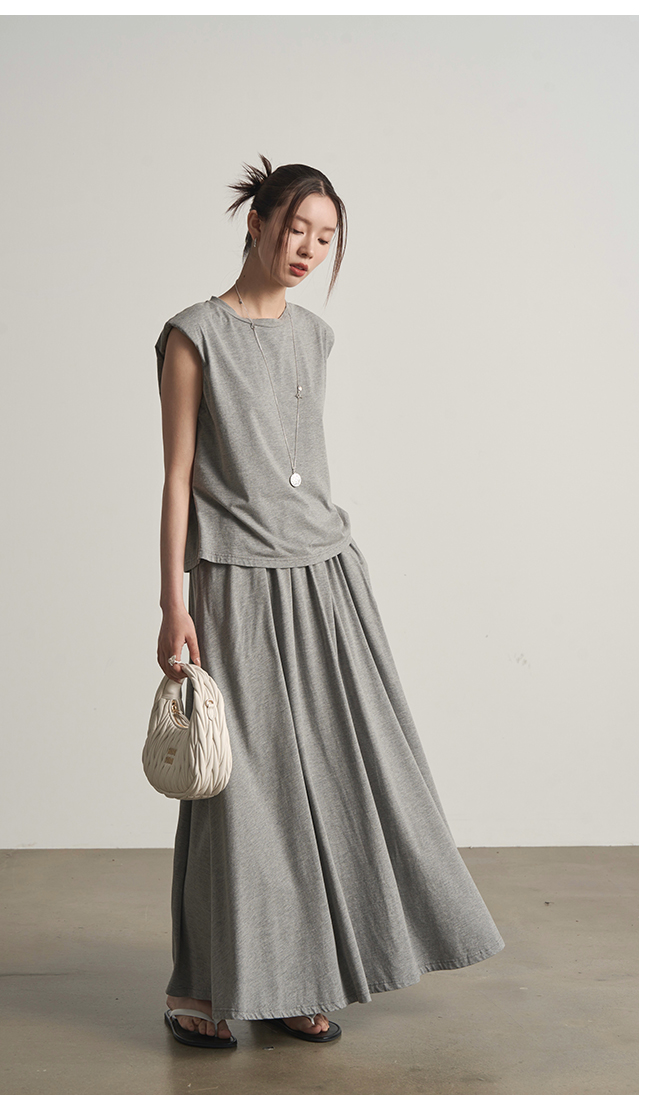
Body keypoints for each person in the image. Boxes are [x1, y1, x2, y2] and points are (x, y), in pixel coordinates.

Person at [154, 155, 505, 1050]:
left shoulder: (316, 336)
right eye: (296, 229)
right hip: (235, 579)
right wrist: (171, 602)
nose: (308, 248)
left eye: (325, 237)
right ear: (256, 223)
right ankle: (201, 989)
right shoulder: (193, 335)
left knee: (348, 776)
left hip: (327, 575)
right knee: (245, 795)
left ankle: (295, 980)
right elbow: (177, 476)